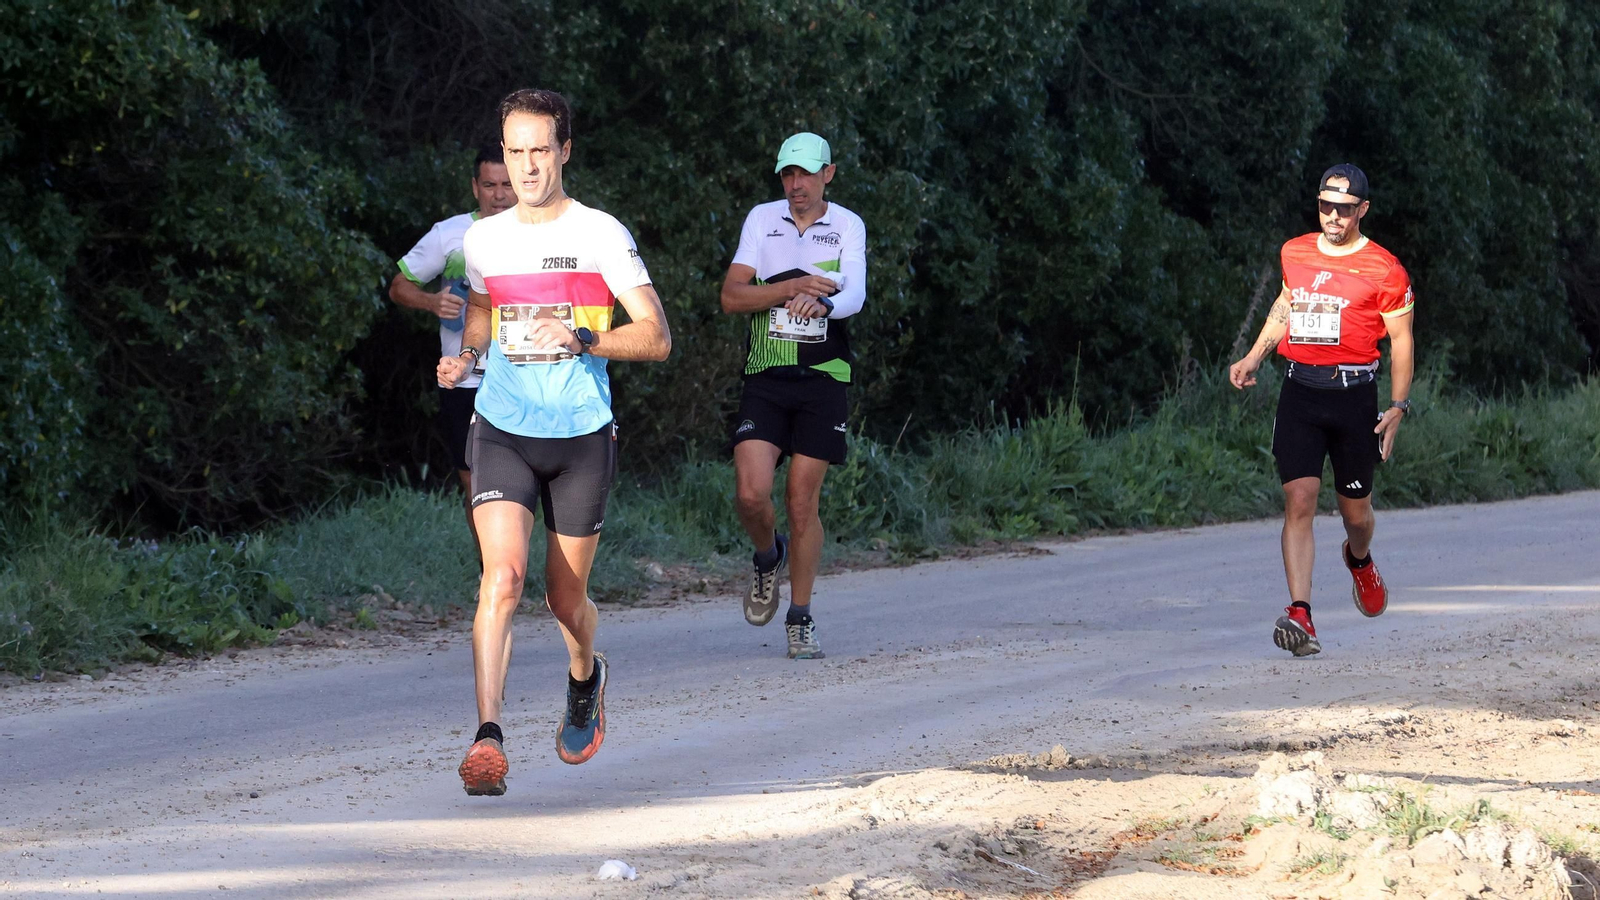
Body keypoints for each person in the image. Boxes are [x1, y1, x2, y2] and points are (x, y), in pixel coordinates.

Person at [437, 89, 671, 795]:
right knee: (500, 578)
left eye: (542, 149)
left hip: (579, 437)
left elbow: (657, 338)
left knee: (564, 601)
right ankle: (487, 738)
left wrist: (586, 338)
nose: (528, 165)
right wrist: (467, 358)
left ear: (564, 150)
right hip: (503, 427)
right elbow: (482, 306)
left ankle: (584, 674)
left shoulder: (602, 233)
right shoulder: (484, 239)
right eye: (516, 151)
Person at [1229, 164, 1415, 657]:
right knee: (1300, 500)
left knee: (1356, 515)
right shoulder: (1295, 251)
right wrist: (1253, 356)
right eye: (1325, 205)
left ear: (1362, 211)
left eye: (1344, 208)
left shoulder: (1385, 268)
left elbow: (1401, 339)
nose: (1333, 216)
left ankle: (1359, 560)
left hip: (1355, 397)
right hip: (1301, 392)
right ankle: (1301, 615)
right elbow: (1287, 304)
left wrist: (1398, 405)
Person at [719, 132, 867, 660]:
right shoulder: (763, 220)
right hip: (767, 374)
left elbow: (854, 292)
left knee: (802, 501)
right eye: (787, 174)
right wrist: (790, 287)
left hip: (824, 376)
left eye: (805, 174)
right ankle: (767, 556)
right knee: (751, 494)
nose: (795, 185)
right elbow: (732, 296)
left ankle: (800, 617)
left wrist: (824, 307)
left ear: (828, 173)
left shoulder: (847, 225)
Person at [389, 145, 516, 554]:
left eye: (508, 185)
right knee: (474, 485)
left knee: (521, 485)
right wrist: (431, 301)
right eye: (491, 185)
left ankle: (517, 571)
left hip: (524, 377)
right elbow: (398, 286)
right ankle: (492, 574)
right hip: (465, 381)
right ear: (475, 187)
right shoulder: (450, 233)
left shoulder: (537, 232)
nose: (499, 195)